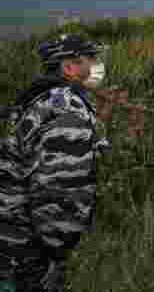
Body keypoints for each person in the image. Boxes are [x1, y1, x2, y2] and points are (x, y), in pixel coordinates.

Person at [1, 34, 109, 291]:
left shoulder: (41, 99)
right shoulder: (67, 110)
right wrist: (57, 254)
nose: (97, 65)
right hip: (24, 254)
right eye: (90, 58)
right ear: (69, 67)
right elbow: (59, 194)